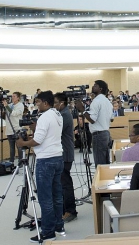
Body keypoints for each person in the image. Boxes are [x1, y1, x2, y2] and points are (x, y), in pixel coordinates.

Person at [16, 91, 64, 243]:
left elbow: (37, 141)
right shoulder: (57, 114)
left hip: (46, 160)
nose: (36, 105)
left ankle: (48, 232)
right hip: (57, 157)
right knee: (56, 195)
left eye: (37, 102)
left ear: (45, 102)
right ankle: (58, 226)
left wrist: (22, 143)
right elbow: (47, 136)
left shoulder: (44, 117)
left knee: (45, 198)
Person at [75, 80, 113, 166]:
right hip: (106, 133)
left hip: (99, 135)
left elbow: (92, 119)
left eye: (95, 86)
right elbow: (112, 119)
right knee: (105, 162)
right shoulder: (107, 101)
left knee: (100, 163)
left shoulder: (96, 101)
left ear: (100, 89)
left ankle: (101, 178)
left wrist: (83, 110)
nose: (93, 87)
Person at [53, 92, 77, 223]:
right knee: (61, 183)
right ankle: (63, 209)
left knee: (65, 184)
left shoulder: (64, 115)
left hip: (65, 153)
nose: (53, 105)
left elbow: (56, 131)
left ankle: (70, 210)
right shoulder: (60, 114)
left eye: (55, 103)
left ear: (62, 103)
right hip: (62, 152)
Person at [3, 92, 23, 165]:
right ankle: (11, 161)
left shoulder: (20, 105)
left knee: (19, 146)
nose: (13, 98)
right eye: (12, 96)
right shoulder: (10, 105)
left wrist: (6, 106)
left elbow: (14, 113)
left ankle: (20, 161)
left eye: (14, 96)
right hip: (9, 129)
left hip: (16, 128)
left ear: (18, 98)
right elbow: (6, 114)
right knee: (11, 147)